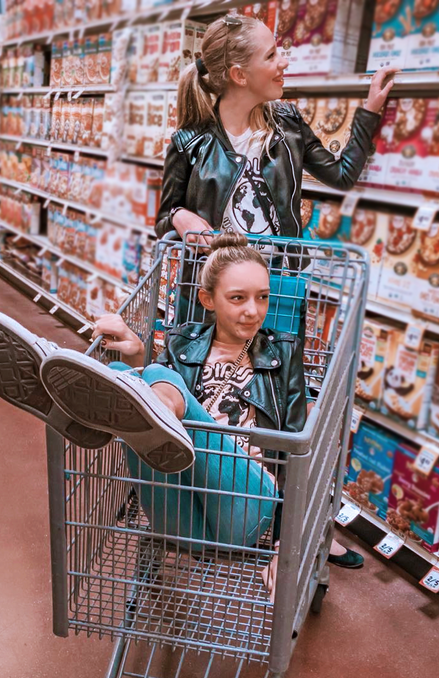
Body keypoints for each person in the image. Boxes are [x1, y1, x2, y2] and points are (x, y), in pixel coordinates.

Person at [155, 13, 396, 565]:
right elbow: (164, 214)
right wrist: (184, 219)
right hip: (211, 295)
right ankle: (200, 507)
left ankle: (296, 528)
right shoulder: (190, 142)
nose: (283, 61)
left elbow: (340, 175)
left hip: (278, 291)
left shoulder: (287, 124)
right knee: (205, 403)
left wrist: (369, 112)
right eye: (273, 54)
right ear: (238, 73)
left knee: (283, 410)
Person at [0, 233, 308, 597]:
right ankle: (71, 389)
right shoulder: (183, 341)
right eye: (237, 298)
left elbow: (301, 455)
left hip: (243, 506)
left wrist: (284, 546)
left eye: (263, 297)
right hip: (180, 507)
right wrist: (136, 350)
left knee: (154, 384)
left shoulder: (282, 353)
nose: (253, 310)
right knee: (151, 390)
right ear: (207, 299)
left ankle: (73, 408)